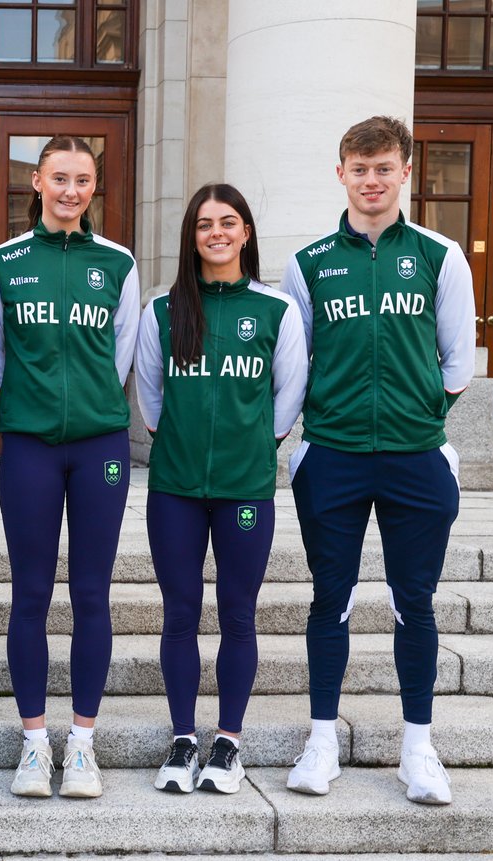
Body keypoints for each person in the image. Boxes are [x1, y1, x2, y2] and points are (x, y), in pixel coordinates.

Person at [280, 116, 475, 805]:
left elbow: (457, 361)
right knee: (329, 600)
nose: (371, 180)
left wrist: (417, 417)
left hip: (414, 457)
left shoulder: (439, 254)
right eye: (359, 169)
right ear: (341, 174)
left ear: (405, 172)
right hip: (331, 454)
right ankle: (321, 742)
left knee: (412, 601)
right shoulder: (307, 264)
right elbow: (294, 363)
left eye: (383, 167)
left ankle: (418, 750)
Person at [134, 183, 307, 795]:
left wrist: (258, 444)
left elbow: (289, 397)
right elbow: (149, 397)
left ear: (246, 232)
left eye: (228, 222)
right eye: (205, 224)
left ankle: (228, 742)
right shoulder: (163, 310)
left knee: (238, 613)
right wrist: (176, 440)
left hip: (245, 488)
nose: (217, 233)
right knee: (179, 613)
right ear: (192, 236)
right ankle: (183, 739)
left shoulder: (277, 311)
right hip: (175, 487)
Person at [0, 135, 140, 799]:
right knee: (30, 593)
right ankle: (31, 742)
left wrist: (88, 407)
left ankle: (81, 744)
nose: (72, 191)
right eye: (59, 179)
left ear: (93, 187)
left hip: (100, 447)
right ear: (38, 184)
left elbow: (123, 357)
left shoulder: (119, 263)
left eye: (83, 180)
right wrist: (32, 404)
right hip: (29, 447)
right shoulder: (3, 263)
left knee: (92, 594)